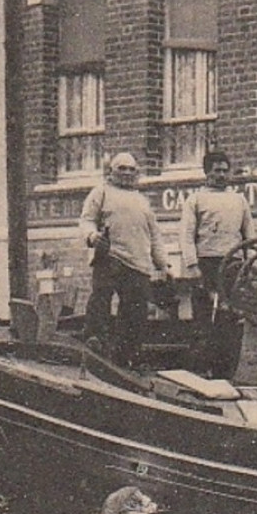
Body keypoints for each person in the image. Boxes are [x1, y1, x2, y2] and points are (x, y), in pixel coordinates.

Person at [78, 151, 167, 367]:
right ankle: (96, 345)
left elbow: (154, 235)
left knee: (135, 312)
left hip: (138, 263)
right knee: (101, 300)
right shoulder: (101, 193)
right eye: (121, 168)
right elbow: (86, 220)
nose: (127, 173)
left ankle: (126, 357)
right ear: (111, 172)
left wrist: (163, 264)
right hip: (110, 257)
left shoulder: (142, 201)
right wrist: (92, 236)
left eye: (131, 169)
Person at [177, 150, 254, 374]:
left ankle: (226, 371)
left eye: (224, 170)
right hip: (206, 264)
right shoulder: (196, 199)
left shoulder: (239, 200)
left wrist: (251, 265)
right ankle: (201, 370)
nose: (221, 175)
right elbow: (186, 235)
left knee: (231, 317)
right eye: (216, 170)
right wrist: (192, 266)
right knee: (203, 318)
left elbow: (249, 234)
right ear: (206, 172)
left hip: (233, 265)